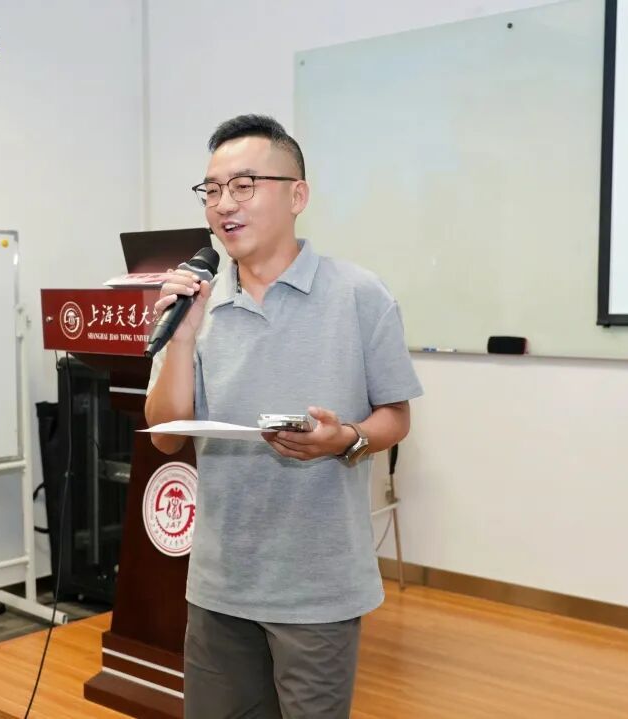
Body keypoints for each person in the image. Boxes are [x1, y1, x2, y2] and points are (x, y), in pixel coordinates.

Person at [145, 114, 423, 718]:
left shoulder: (360, 294)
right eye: (212, 189)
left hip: (318, 586)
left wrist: (344, 439)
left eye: (243, 186)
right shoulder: (195, 304)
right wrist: (182, 339)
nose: (224, 204)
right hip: (220, 582)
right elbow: (165, 437)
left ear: (297, 195)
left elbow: (396, 416)